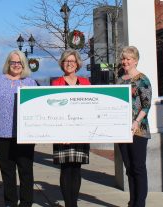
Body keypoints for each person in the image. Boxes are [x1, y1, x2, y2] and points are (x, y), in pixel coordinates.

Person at [0, 50, 37, 207]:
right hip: (2, 134)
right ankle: (10, 202)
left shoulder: (30, 82)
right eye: (13, 62)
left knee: (25, 170)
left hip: (25, 135)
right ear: (8, 64)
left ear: (24, 65)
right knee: (7, 171)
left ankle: (26, 203)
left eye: (19, 62)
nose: (16, 65)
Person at [51, 49, 90, 207]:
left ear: (77, 64)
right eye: (66, 61)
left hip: (81, 132)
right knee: (66, 169)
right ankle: (69, 204)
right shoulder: (56, 83)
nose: (69, 64)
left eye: (72, 61)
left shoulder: (86, 82)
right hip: (62, 133)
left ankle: (73, 202)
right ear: (62, 63)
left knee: (76, 169)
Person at [116, 46, 152, 207]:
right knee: (129, 168)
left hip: (138, 130)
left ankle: (140, 203)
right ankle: (132, 202)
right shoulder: (120, 80)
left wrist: (136, 121)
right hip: (121, 130)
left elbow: (146, 105)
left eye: (128, 59)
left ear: (135, 60)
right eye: (123, 59)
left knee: (138, 167)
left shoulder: (142, 79)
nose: (125, 62)